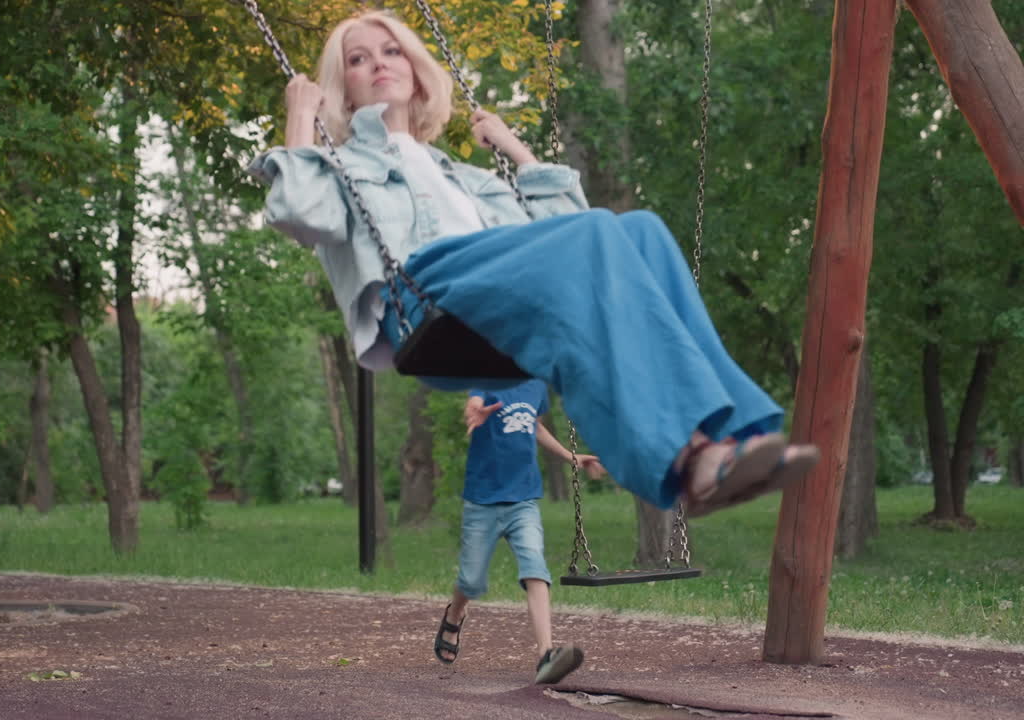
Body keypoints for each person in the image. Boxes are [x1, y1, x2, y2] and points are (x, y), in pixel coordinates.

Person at [248, 10, 820, 519]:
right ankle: (678, 460)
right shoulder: (340, 165)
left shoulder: (463, 175)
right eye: (357, 59)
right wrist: (300, 117)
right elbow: (298, 215)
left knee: (638, 230)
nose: (378, 63)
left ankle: (722, 446)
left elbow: (572, 231)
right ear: (340, 88)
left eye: (391, 50)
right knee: (601, 231)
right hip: (426, 295)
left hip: (496, 297)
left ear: (417, 69)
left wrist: (514, 149)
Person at [434, 380, 604, 684]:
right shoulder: (485, 377)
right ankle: (455, 614)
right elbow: (473, 402)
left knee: (535, 567)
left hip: (523, 500)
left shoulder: (537, 385)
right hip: (482, 501)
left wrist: (571, 456)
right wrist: (473, 410)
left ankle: (546, 656)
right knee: (471, 581)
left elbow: (534, 426)